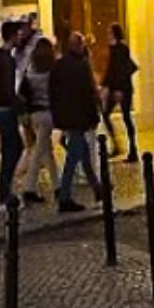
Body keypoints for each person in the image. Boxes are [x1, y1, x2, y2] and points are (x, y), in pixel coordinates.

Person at [50, 32, 103, 213]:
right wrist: (94, 117)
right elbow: (88, 94)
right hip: (79, 118)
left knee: (84, 155)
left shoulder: (58, 66)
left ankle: (97, 188)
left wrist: (57, 116)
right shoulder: (82, 66)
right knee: (73, 158)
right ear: (78, 46)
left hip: (66, 117)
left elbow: (53, 93)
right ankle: (65, 197)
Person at [0, 20, 28, 214]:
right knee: (15, 148)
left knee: (10, 148)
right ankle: (4, 194)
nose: (20, 38)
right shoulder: (7, 60)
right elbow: (8, 90)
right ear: (12, 36)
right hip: (5, 109)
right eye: (18, 35)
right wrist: (20, 106)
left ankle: (6, 192)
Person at [17, 36, 59, 205]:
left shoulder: (30, 71)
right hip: (49, 114)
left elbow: (22, 94)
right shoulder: (53, 71)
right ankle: (29, 188)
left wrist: (24, 114)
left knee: (45, 151)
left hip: (34, 115)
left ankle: (58, 185)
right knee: (39, 152)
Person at [101, 23, 139, 162]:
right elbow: (111, 70)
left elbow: (121, 70)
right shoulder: (113, 49)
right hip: (116, 88)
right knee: (106, 114)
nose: (107, 35)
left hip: (123, 89)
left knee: (126, 117)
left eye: (109, 32)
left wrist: (118, 89)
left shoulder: (122, 48)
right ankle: (117, 145)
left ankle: (132, 150)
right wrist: (104, 86)